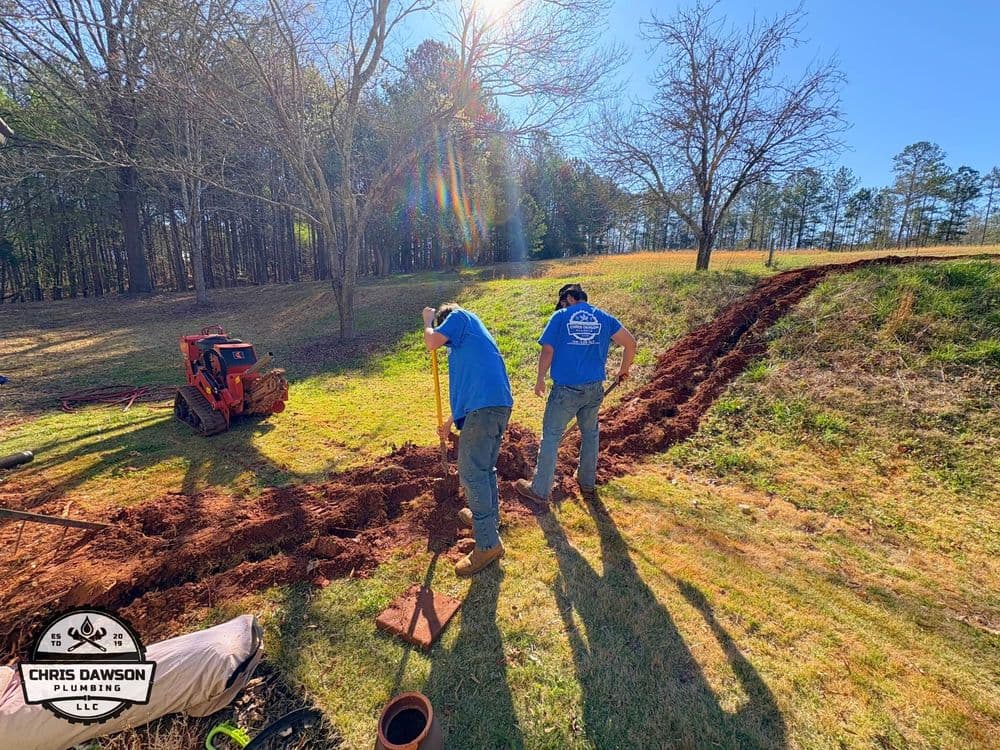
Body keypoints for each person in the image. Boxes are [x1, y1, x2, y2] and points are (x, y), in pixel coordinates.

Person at [515, 283, 637, 506]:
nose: (562, 306)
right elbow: (630, 343)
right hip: (593, 389)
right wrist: (623, 370)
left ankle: (540, 489)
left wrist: (540, 378)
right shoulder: (604, 318)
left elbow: (548, 350)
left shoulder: (561, 316)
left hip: (566, 391)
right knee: (590, 434)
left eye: (563, 302)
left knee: (551, 437)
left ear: (569, 298)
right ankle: (587, 482)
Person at [423, 303, 514, 576]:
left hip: (485, 409)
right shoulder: (468, 343)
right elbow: (468, 389)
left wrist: (428, 320)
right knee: (484, 469)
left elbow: (431, 341)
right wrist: (451, 421)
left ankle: (487, 544)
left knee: (472, 473)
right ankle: (487, 522)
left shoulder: (458, 317)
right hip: (492, 405)